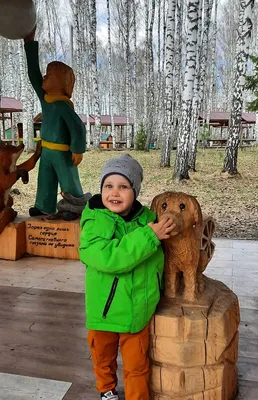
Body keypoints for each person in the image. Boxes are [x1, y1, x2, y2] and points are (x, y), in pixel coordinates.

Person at [79, 154, 176, 400]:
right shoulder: (94, 221)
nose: (115, 193)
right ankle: (107, 389)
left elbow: (158, 262)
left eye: (123, 187)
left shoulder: (147, 221)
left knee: (138, 365)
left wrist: (160, 289)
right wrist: (149, 236)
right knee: (103, 357)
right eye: (108, 186)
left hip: (138, 312)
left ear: (135, 191)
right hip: (104, 312)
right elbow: (109, 258)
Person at [23, 27, 87, 217]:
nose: (44, 77)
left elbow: (78, 127)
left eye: (49, 75)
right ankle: (44, 205)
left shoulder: (63, 106)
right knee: (46, 180)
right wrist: (29, 44)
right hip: (47, 151)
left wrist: (77, 149)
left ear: (60, 83)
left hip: (62, 153)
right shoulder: (46, 100)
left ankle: (75, 207)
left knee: (69, 181)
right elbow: (34, 75)